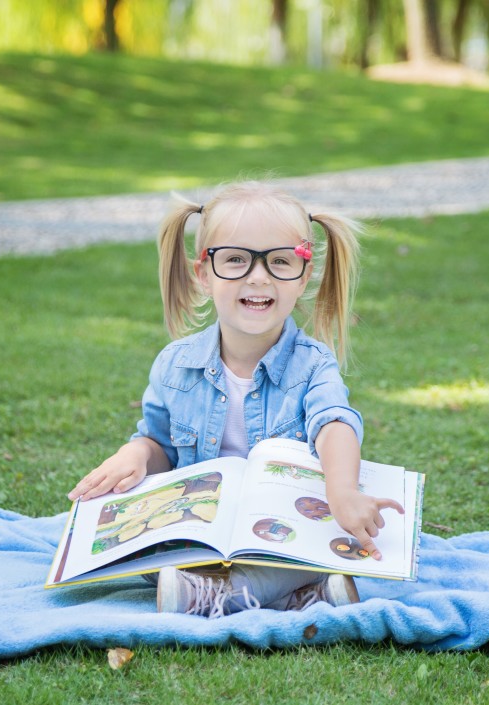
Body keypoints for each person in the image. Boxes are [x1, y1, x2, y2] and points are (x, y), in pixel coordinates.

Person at [67, 181, 404, 618]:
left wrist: (341, 491)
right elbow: (159, 444)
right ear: (204, 275)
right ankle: (303, 595)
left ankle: (222, 596)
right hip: (205, 530)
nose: (258, 276)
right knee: (147, 552)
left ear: (302, 277)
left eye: (280, 261)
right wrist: (135, 453)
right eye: (236, 260)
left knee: (318, 540)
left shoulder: (313, 365)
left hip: (285, 528)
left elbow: (334, 423)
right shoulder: (176, 365)